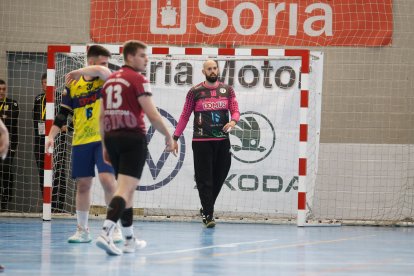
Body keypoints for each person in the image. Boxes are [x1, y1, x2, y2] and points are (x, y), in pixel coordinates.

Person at [78, 40, 174, 256]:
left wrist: (104, 145)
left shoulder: (110, 81)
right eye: (142, 55)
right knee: (124, 188)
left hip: (112, 138)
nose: (146, 59)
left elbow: (102, 117)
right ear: (130, 57)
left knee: (126, 188)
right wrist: (169, 136)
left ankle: (130, 239)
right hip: (132, 139)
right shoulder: (138, 79)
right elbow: (152, 115)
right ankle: (106, 232)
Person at [46, 45, 122, 243]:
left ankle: (114, 228)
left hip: (104, 138)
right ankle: (83, 230)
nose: (108, 66)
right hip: (80, 140)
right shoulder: (74, 84)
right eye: (103, 62)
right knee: (83, 185)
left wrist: (81, 70)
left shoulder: (106, 79)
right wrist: (51, 135)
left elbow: (102, 71)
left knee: (107, 180)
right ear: (91, 61)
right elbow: (63, 114)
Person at [172, 60, 240, 228]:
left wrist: (233, 122)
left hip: (222, 141)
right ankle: (209, 215)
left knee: (220, 175)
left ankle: (205, 208)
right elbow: (185, 116)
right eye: (209, 69)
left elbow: (235, 110)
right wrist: (175, 138)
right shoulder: (194, 92)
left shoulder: (227, 90)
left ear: (218, 69)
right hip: (201, 141)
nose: (212, 71)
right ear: (203, 72)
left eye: (214, 68)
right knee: (204, 180)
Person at [33, 73, 68, 211]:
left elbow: (76, 117)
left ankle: (58, 207)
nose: (47, 85)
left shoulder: (62, 98)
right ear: (42, 84)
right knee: (43, 174)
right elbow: (35, 122)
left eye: (49, 82)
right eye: (44, 82)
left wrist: (68, 127)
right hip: (41, 142)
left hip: (58, 142)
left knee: (58, 173)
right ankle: (47, 205)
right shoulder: (38, 100)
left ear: (55, 84)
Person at [0, 79, 19, 211]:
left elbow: (11, 122)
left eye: (4, 89)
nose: (1, 92)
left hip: (6, 146)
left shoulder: (12, 104)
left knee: (6, 172)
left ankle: (5, 201)